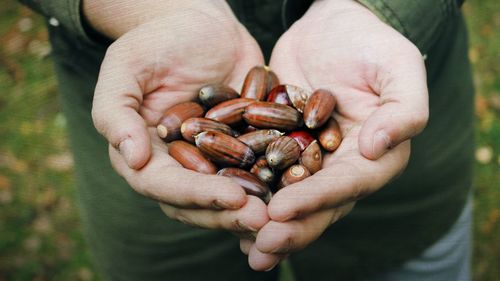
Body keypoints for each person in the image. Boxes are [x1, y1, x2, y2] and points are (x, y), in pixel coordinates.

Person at [20, 0, 474, 280]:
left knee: (406, 259)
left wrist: (378, 8)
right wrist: (148, 8)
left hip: (399, 163)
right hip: (158, 223)